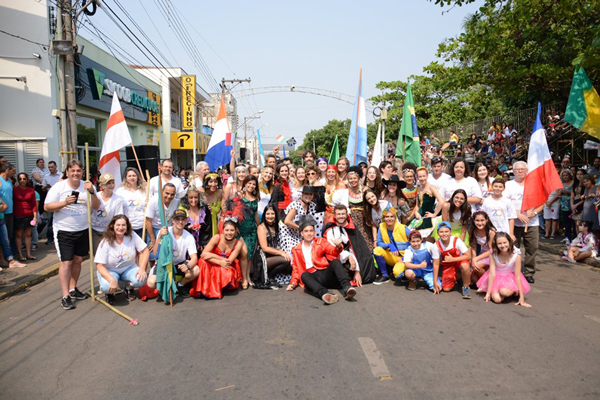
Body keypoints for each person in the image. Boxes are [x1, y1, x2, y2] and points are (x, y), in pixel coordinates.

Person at [44, 159, 101, 310]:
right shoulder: (59, 187)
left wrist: (92, 191)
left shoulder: (87, 185)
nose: (76, 173)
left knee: (78, 260)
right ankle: (65, 296)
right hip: (64, 230)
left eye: (78, 171)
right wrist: (64, 203)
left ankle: (72, 288)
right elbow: (47, 207)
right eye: (73, 171)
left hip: (82, 229)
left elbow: (96, 206)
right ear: (67, 172)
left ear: (82, 172)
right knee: (66, 262)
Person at [286, 215, 356, 304]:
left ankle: (347, 288)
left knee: (335, 261)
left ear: (314, 232)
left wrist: (338, 246)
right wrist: (293, 283)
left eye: (311, 231)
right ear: (302, 233)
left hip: (325, 274)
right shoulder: (296, 249)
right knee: (303, 275)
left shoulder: (320, 242)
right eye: (306, 231)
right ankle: (325, 294)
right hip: (312, 279)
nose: (309, 233)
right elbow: (296, 269)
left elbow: (332, 251)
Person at [503, 161, 544, 284]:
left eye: (522, 169)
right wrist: (517, 214)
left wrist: (534, 212)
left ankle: (529, 272)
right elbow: (505, 203)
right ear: (513, 171)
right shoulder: (508, 185)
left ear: (527, 171)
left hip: (531, 223)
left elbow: (541, 203)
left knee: (532, 248)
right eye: (517, 169)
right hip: (514, 222)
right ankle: (511, 270)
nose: (520, 171)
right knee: (512, 247)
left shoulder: (534, 185)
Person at [94, 214, 149, 304]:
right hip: (110, 270)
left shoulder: (132, 235)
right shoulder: (105, 241)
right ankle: (109, 293)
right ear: (113, 226)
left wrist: (142, 268)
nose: (121, 228)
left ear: (127, 227)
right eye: (118, 225)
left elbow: (145, 250)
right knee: (106, 286)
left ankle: (129, 288)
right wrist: (111, 280)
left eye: (123, 225)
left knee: (141, 279)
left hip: (128, 268)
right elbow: (99, 265)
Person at [148, 209, 199, 297]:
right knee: (151, 283)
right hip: (164, 264)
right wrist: (160, 237)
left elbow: (194, 258)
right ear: (173, 221)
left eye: (183, 219)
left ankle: (180, 285)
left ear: (186, 221)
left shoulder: (189, 237)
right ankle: (165, 287)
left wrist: (187, 266)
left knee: (196, 270)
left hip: (179, 264)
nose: (180, 222)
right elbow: (155, 253)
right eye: (177, 219)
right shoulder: (165, 232)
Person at [323, 205, 377, 286]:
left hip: (351, 260)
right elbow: (330, 251)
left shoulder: (352, 228)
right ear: (334, 215)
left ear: (347, 215)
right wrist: (348, 256)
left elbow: (356, 249)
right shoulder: (330, 230)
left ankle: (356, 275)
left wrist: (357, 271)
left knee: (367, 258)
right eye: (338, 214)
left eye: (343, 214)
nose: (341, 216)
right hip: (337, 259)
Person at [191, 217, 243, 299]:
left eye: (232, 230)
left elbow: (228, 261)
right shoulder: (216, 238)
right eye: (227, 230)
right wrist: (218, 260)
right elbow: (203, 254)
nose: (229, 233)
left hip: (225, 266)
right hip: (212, 263)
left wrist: (212, 255)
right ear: (223, 230)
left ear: (236, 231)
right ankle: (203, 289)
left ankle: (214, 289)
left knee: (226, 272)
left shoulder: (238, 243)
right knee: (202, 261)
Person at [477, 232, 531, 307]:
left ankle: (514, 291)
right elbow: (492, 274)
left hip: (510, 278)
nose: (502, 245)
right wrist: (488, 293)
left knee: (504, 292)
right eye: (499, 243)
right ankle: (495, 291)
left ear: (509, 242)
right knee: (497, 300)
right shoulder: (493, 255)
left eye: (505, 242)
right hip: (496, 278)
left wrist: (522, 298)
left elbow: (517, 276)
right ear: (496, 245)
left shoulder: (516, 256)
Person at [227, 175, 259, 289]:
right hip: (240, 229)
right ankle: (244, 279)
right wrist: (233, 227)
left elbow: (255, 214)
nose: (251, 186)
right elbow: (232, 212)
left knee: (250, 255)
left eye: (253, 184)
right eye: (249, 183)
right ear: (245, 184)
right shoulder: (239, 197)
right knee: (244, 253)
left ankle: (248, 277)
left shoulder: (255, 198)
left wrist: (260, 226)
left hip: (252, 230)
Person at [280, 185, 323, 258]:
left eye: (310, 194)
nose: (308, 196)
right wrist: (301, 228)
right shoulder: (295, 205)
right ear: (302, 194)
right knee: (294, 252)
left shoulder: (312, 205)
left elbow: (310, 221)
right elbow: (287, 221)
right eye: (306, 194)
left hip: (300, 233)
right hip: (288, 231)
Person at [432, 221, 472, 299]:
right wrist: (435, 282)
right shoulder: (435, 245)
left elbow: (468, 256)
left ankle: (466, 287)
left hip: (459, 261)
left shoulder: (457, 241)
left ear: (450, 232)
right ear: (438, 233)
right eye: (441, 232)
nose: (444, 234)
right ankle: (458, 276)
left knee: (465, 265)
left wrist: (453, 259)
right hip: (448, 264)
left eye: (446, 231)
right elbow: (436, 264)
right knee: (446, 289)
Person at [254, 204, 292, 288]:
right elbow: (264, 248)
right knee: (285, 260)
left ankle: (271, 276)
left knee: (289, 264)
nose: (270, 216)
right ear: (264, 215)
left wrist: (282, 251)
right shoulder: (261, 227)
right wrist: (281, 253)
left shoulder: (276, 225)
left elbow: (276, 242)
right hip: (262, 258)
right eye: (268, 214)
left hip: (272, 255)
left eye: (272, 214)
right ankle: (269, 277)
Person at [373, 206, 411, 284]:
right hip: (392, 256)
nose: (389, 219)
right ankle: (385, 275)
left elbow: (415, 244)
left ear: (395, 217)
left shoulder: (403, 228)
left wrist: (405, 258)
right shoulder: (381, 226)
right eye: (387, 217)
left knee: (397, 274)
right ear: (383, 218)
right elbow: (379, 243)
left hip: (405, 258)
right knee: (377, 250)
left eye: (391, 216)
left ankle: (407, 270)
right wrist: (390, 245)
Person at [90, 173, 128, 252]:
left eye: (112, 183)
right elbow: (90, 211)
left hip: (109, 231)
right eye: (108, 183)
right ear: (102, 185)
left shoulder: (118, 199)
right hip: (95, 230)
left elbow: (118, 217)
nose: (111, 185)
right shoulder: (96, 197)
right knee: (97, 253)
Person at [145, 183, 180, 261]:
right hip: (154, 229)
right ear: (162, 191)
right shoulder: (154, 201)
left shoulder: (176, 202)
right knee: (152, 255)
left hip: (168, 229)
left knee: (168, 253)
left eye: (172, 194)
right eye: (167, 193)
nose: (169, 196)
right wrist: (153, 239)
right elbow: (148, 221)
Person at [346, 167, 374, 250]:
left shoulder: (365, 189)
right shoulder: (346, 191)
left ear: (358, 179)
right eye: (350, 179)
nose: (353, 180)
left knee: (366, 238)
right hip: (351, 218)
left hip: (364, 218)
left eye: (355, 178)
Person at [180, 187, 212, 255]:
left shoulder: (205, 209)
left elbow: (209, 227)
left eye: (196, 197)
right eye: (191, 198)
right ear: (187, 198)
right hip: (187, 244)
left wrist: (203, 242)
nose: (193, 200)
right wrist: (189, 227)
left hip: (202, 245)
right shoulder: (183, 210)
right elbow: (179, 227)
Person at [13, 173, 37, 261]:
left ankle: (28, 254)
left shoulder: (31, 190)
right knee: (19, 235)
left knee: (28, 235)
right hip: (18, 215)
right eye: (20, 179)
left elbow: (34, 204)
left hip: (29, 215)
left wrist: (35, 217)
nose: (22, 181)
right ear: (18, 180)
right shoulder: (14, 189)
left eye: (24, 179)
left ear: (27, 180)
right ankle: (20, 254)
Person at [115, 168, 146, 238]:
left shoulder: (144, 190)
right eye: (129, 176)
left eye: (134, 176)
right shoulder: (120, 191)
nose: (132, 178)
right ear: (126, 178)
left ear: (138, 177)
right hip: (127, 226)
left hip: (142, 226)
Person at [469, 211, 496, 284]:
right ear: (473, 221)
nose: (480, 223)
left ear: (486, 220)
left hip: (492, 254)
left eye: (482, 220)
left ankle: (488, 283)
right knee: (474, 277)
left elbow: (491, 250)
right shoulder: (473, 230)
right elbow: (473, 247)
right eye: (477, 220)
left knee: (478, 266)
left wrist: (476, 259)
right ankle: (484, 282)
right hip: (482, 253)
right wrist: (473, 259)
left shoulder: (491, 232)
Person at [41, 161, 61, 244]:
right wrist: (46, 186)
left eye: (52, 167)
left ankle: (59, 237)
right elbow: (42, 189)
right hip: (50, 200)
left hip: (60, 200)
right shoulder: (46, 176)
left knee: (60, 219)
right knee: (50, 220)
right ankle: (50, 238)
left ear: (56, 166)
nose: (50, 169)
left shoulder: (61, 175)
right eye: (49, 167)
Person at [203, 173, 223, 237]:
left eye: (215, 182)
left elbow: (218, 209)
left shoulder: (219, 192)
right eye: (211, 182)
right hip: (202, 223)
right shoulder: (200, 192)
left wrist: (212, 209)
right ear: (206, 182)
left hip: (213, 223)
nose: (213, 184)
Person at [559, 170, 575, 243]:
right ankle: (567, 236)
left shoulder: (573, 183)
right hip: (564, 205)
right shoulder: (562, 184)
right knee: (566, 222)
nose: (565, 177)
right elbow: (558, 194)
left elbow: (575, 192)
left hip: (571, 204)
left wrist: (568, 192)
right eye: (564, 175)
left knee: (573, 222)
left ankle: (573, 237)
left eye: (566, 175)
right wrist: (561, 192)